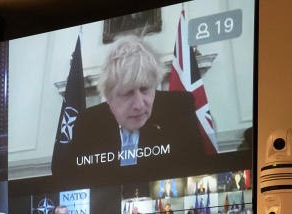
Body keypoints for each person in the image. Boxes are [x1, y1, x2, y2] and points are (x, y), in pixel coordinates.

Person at [51, 36, 209, 184]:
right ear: (109, 97)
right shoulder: (88, 122)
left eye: (145, 89)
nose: (139, 105)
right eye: (127, 93)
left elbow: (198, 172)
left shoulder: (178, 110)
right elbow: (70, 180)